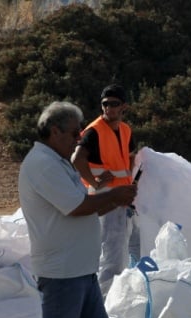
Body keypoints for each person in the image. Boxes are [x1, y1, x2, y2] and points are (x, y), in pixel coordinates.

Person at [0, 101, 144, 318]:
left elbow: (84, 209)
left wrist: (114, 200)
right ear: (54, 131)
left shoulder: (56, 161)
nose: (80, 137)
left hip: (79, 266)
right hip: (63, 269)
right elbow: (76, 206)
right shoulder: (44, 165)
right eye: (75, 132)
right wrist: (115, 196)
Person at [71, 84, 137, 297]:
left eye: (114, 104)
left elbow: (130, 157)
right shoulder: (94, 131)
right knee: (112, 256)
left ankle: (105, 299)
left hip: (122, 198)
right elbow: (76, 159)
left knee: (119, 252)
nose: (108, 108)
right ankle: (105, 303)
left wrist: (132, 181)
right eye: (105, 104)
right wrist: (95, 182)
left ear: (123, 106)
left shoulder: (126, 130)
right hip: (104, 199)